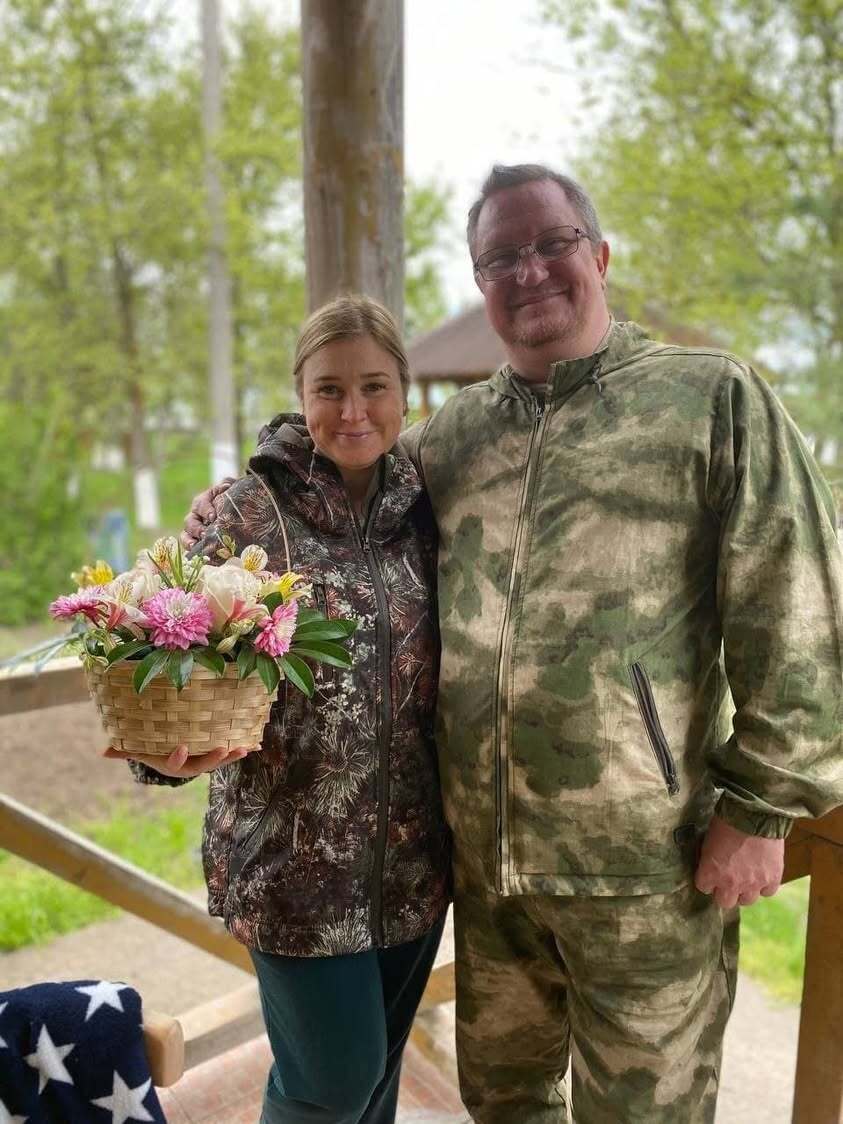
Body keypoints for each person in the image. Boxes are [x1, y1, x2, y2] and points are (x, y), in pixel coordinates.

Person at [185, 165, 843, 1123]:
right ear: (479, 283)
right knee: (504, 1105)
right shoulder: (450, 439)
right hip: (486, 882)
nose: (528, 271)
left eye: (551, 244)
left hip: (646, 873)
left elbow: (799, 610)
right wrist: (247, 490)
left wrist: (763, 808)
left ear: (599, 256)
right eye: (500, 257)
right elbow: (345, 466)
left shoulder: (708, 400)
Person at [108, 295, 451, 1124]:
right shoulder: (247, 513)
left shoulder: (430, 510)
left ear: (404, 393)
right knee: (329, 1085)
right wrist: (165, 757)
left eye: (373, 386)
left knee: (374, 1084)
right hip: (291, 868)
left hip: (413, 863)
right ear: (301, 393)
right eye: (329, 388)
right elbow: (165, 648)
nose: (353, 410)